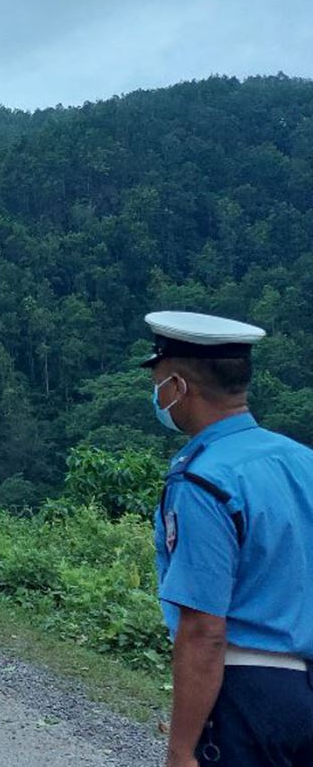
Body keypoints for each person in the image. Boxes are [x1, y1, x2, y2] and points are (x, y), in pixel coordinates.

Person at [143, 311, 313, 766]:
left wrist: (181, 750)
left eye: (158, 383)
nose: (157, 395)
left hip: (248, 695)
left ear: (179, 387)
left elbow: (205, 629)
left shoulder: (204, 481)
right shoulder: (303, 462)